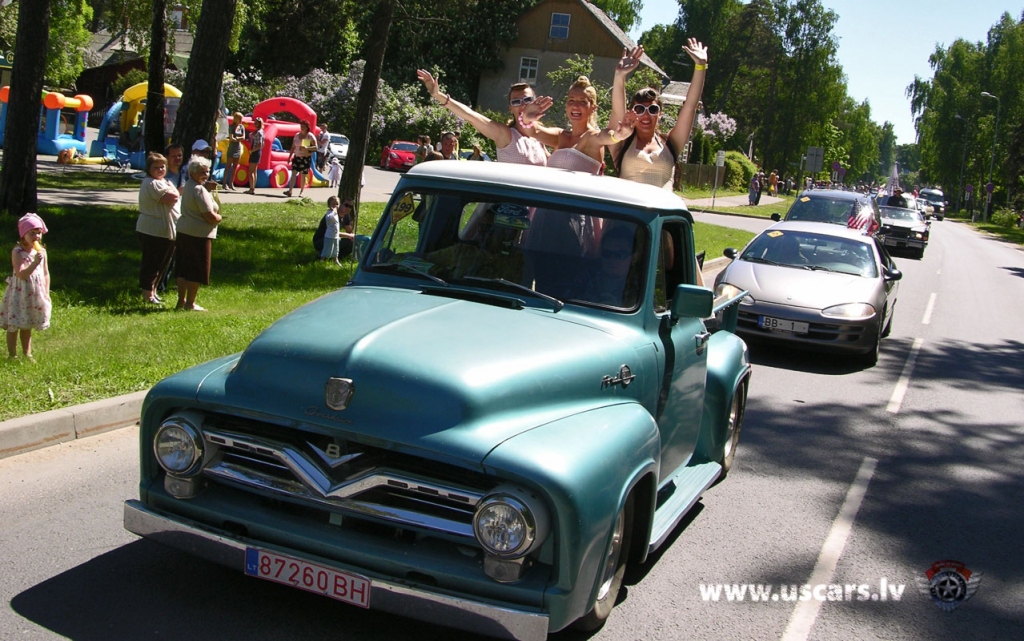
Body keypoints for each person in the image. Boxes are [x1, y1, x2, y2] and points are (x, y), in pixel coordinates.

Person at [607, 40, 708, 190]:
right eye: (640, 109)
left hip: (663, 213)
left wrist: (701, 66)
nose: (646, 115)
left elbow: (690, 106)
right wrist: (620, 75)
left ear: (660, 114)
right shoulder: (621, 142)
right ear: (632, 113)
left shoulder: (671, 143)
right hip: (629, 212)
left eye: (652, 110)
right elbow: (617, 110)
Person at [417, 69, 551, 166]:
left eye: (527, 99)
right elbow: (470, 115)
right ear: (510, 108)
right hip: (511, 203)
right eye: (516, 102)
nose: (523, 105)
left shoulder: (539, 137)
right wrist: (437, 95)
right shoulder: (506, 134)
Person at [531, 76, 630, 174]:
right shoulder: (561, 135)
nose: (575, 106)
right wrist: (528, 116)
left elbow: (603, 137)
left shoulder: (591, 137)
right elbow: (534, 131)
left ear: (593, 108)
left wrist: (616, 136)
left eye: (582, 102)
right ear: (566, 105)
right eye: (571, 100)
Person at [424, 205, 526, 282]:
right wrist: (438, 272)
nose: (484, 234)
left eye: (491, 230)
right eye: (482, 228)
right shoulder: (461, 251)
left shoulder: (516, 261)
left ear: (507, 234)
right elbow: (422, 259)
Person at [1, 214, 51, 361]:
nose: (36, 236)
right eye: (32, 233)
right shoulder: (17, 252)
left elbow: (46, 273)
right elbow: (21, 274)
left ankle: (27, 353)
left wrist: (46, 292)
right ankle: (12, 355)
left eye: (39, 232)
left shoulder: (41, 251)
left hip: (34, 294)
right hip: (19, 294)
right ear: (23, 234)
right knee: (14, 325)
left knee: (27, 324)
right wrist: (35, 262)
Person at [175, 157, 222, 311]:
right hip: (198, 235)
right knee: (195, 269)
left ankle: (181, 301)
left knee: (182, 268)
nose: (206, 174)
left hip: (184, 231)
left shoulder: (189, 185)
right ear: (193, 173)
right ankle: (190, 303)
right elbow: (208, 215)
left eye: (207, 171)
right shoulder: (199, 190)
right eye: (202, 172)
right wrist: (219, 218)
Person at [137, 152, 180, 305]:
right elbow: (172, 198)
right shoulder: (152, 183)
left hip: (164, 229)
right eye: (156, 167)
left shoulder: (162, 182)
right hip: (153, 229)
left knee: (162, 262)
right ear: (149, 169)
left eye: (163, 166)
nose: (160, 169)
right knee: (152, 262)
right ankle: (148, 294)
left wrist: (171, 187)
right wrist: (173, 189)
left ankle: (153, 291)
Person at [285, 120, 317, 197]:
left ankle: (301, 192)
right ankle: (290, 191)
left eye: (304, 126)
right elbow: (293, 147)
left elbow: (316, 147)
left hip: (305, 158)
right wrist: (289, 157)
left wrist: (306, 147)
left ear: (307, 127)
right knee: (293, 173)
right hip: (297, 157)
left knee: (303, 175)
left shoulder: (310, 136)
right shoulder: (296, 135)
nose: (302, 128)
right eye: (301, 126)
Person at [222, 112, 245, 190]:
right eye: (240, 119)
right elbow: (231, 138)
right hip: (231, 148)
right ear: (236, 119)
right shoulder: (231, 127)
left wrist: (237, 139)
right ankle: (224, 183)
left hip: (238, 148)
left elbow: (243, 137)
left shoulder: (242, 127)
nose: (241, 120)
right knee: (228, 166)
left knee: (235, 166)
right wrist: (238, 139)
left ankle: (231, 183)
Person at [246, 117, 264, 195]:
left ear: (259, 123)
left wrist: (252, 151)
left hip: (255, 152)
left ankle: (251, 189)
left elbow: (260, 144)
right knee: (254, 171)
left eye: (256, 123)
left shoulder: (259, 132)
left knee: (251, 171)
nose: (254, 124)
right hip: (257, 152)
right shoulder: (260, 131)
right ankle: (252, 187)